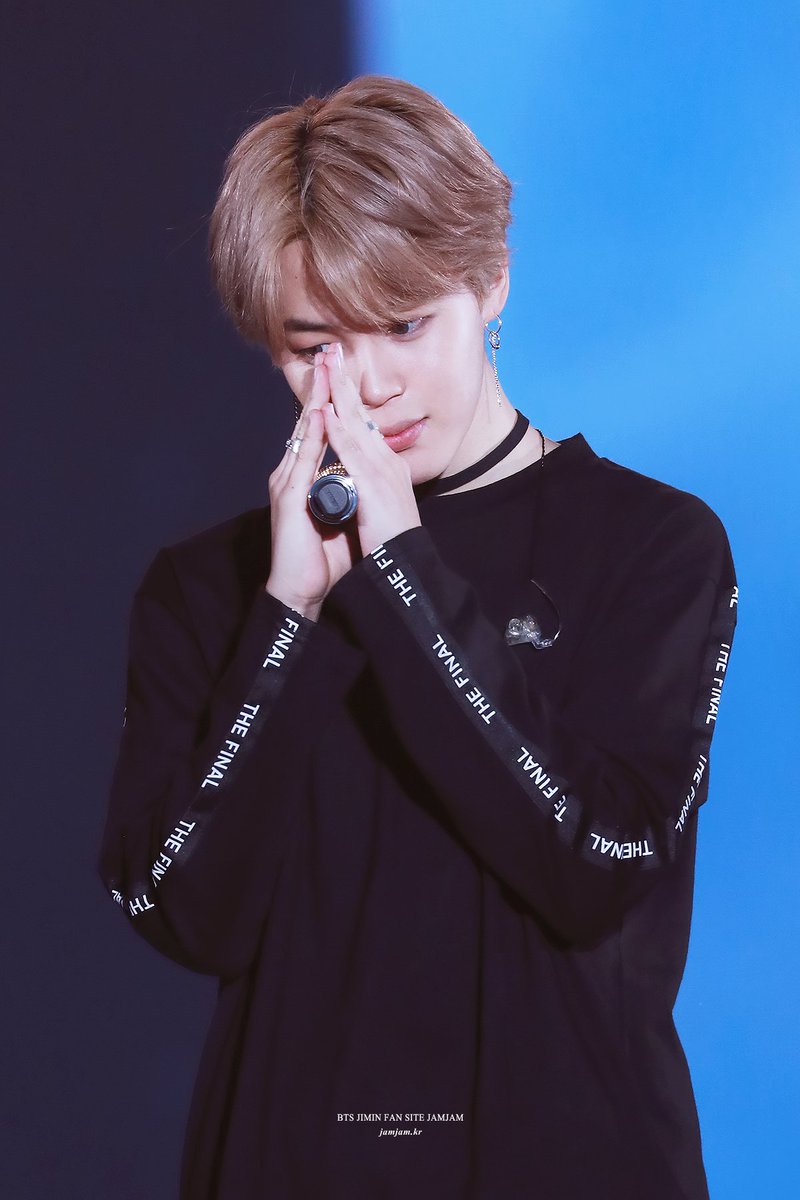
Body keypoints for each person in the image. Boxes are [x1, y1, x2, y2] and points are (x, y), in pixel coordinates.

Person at [98, 75, 738, 1199]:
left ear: (490, 282)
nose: (367, 384)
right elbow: (176, 909)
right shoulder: (206, 589)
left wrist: (400, 569)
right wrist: (290, 617)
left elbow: (598, 865)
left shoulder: (654, 545)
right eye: (312, 344)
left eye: (402, 324)